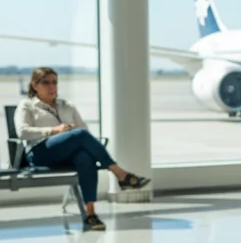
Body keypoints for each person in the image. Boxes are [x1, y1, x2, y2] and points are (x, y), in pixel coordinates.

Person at [15, 67, 149, 231]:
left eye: (54, 82)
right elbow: (22, 132)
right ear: (35, 85)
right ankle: (120, 173)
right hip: (40, 153)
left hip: (66, 153)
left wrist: (69, 133)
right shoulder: (27, 105)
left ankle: (90, 215)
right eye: (46, 83)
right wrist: (54, 130)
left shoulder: (66, 105)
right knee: (79, 135)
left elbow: (83, 131)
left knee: (85, 157)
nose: (52, 87)